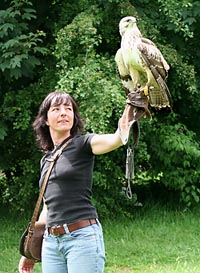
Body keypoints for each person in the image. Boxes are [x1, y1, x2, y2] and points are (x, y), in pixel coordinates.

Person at [18, 91, 133, 273]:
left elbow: (116, 138)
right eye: (56, 109)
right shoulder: (46, 160)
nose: (63, 112)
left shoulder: (83, 144)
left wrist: (130, 109)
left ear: (74, 116)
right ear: (46, 120)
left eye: (68, 108)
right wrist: (28, 252)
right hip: (51, 244)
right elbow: (48, 206)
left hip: (82, 238)